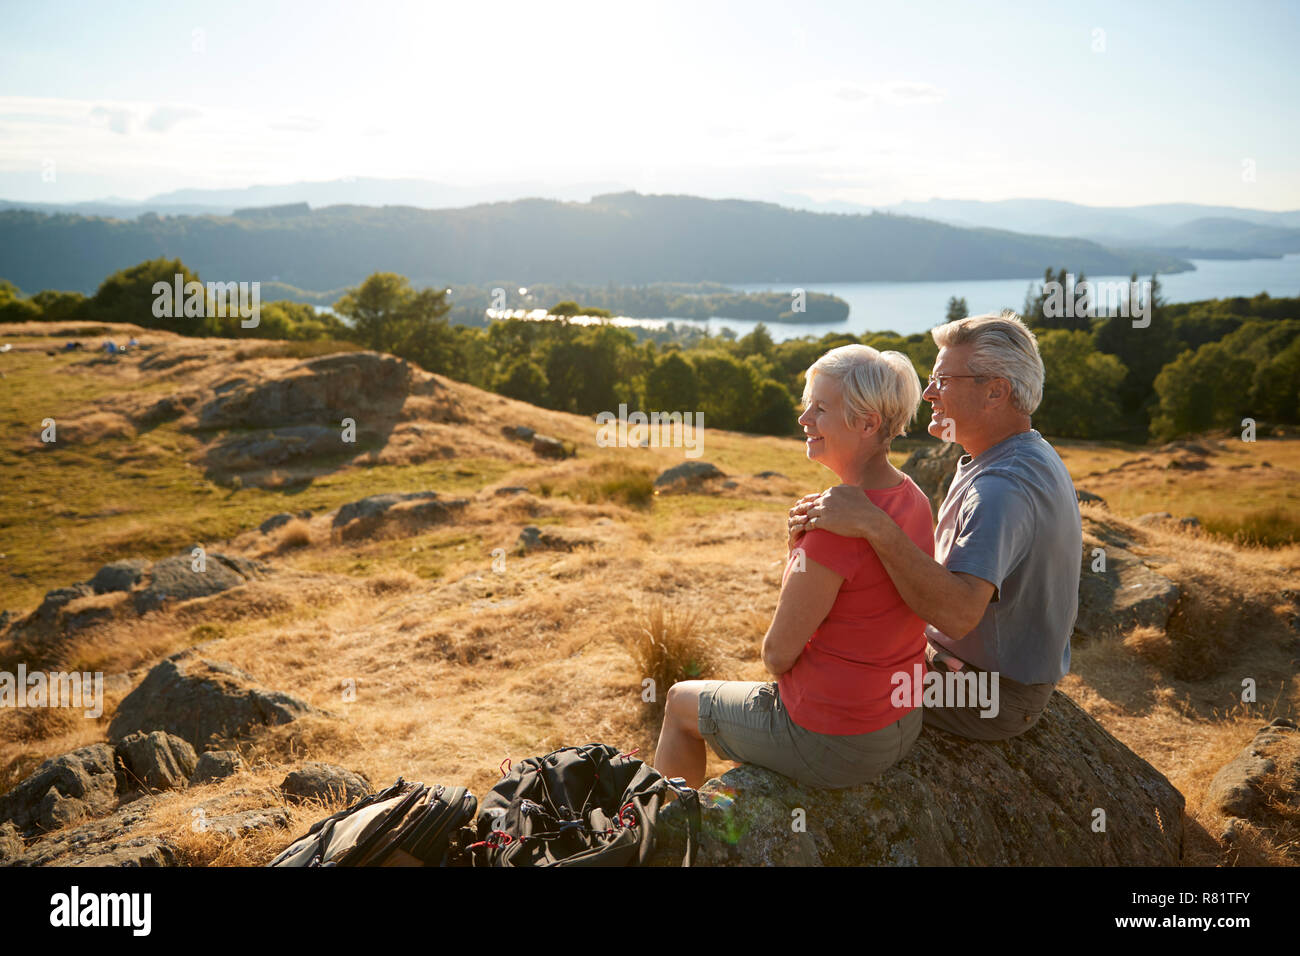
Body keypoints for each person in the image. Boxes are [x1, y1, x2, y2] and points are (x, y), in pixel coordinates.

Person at [790, 310, 1083, 740]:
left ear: (996, 392)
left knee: (826, 684)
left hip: (986, 693)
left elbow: (957, 613)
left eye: (943, 381)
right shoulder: (1017, 454)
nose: (928, 392)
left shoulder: (1002, 487)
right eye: (931, 378)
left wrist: (875, 525)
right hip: (984, 676)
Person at [653, 345, 935, 789]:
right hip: (901, 719)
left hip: (834, 741)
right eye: (808, 404)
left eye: (821, 408)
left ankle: (664, 835)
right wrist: (799, 548)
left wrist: (805, 547)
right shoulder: (911, 496)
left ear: (868, 423)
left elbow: (776, 655)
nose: (804, 418)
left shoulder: (832, 528)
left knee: (677, 702)